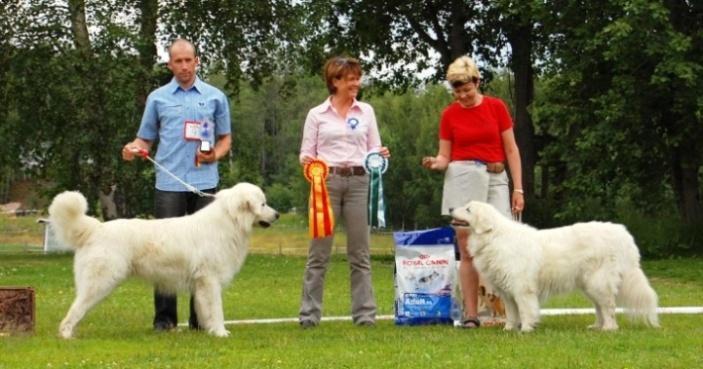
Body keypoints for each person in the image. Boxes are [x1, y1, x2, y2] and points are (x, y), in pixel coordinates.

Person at [122, 38, 232, 331]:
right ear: (169, 64)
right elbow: (144, 138)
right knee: (163, 253)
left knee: (205, 256)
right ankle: (165, 319)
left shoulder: (215, 97)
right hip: (169, 183)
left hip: (206, 184)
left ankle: (201, 319)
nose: (184, 66)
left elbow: (225, 139)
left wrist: (215, 156)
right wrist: (133, 148)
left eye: (189, 60)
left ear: (197, 61)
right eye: (178, 61)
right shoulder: (157, 98)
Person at [422, 56, 524, 329]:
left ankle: (510, 312)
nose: (463, 96)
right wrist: (436, 162)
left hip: (495, 178)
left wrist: (518, 187)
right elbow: (445, 156)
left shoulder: (496, 107)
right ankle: (471, 314)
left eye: (467, 89)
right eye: (457, 91)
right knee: (467, 251)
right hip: (461, 180)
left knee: (504, 246)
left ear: (477, 82)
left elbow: (512, 149)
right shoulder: (449, 115)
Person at [298, 56, 390, 328]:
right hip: (325, 184)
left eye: (357, 78)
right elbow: (306, 153)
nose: (356, 83)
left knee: (360, 253)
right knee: (319, 254)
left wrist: (380, 154)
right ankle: (309, 316)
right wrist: (309, 164)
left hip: (360, 183)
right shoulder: (316, 114)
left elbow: (374, 148)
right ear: (335, 81)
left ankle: (365, 316)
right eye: (350, 78)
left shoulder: (366, 112)